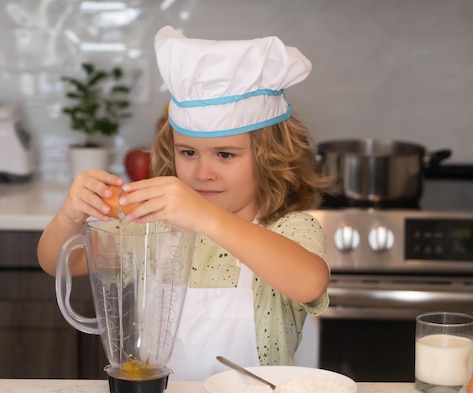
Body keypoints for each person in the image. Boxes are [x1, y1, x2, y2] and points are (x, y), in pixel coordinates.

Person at [38, 25, 331, 381]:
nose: (203, 172)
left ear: (270, 157)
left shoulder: (289, 227)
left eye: (225, 154)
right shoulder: (150, 227)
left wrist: (204, 217)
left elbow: (309, 282)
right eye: (188, 152)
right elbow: (58, 262)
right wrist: (71, 214)